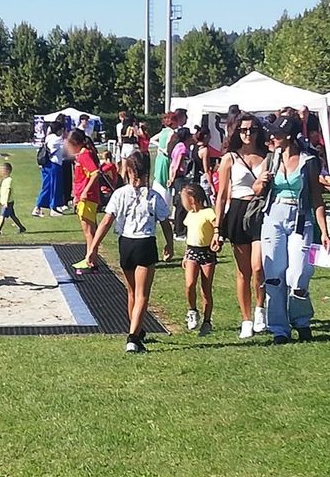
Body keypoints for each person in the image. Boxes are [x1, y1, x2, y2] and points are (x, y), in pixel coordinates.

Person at [84, 153, 173, 354]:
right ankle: (133, 338)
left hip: (126, 243)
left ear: (129, 171)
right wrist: (169, 244)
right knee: (142, 294)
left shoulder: (119, 194)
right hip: (145, 242)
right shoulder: (153, 196)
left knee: (132, 292)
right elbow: (165, 223)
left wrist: (93, 247)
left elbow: (106, 221)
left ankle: (136, 329)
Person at [254, 116, 330, 344]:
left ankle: (301, 321)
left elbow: (316, 197)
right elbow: (256, 190)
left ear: (288, 136)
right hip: (273, 216)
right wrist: (261, 181)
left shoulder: (309, 161)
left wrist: (324, 230)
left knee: (298, 274)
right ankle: (279, 329)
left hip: (300, 217)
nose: (272, 137)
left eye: (277, 133)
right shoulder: (271, 159)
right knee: (274, 276)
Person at [214, 113, 268, 338]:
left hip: (260, 210)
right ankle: (246, 319)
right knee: (243, 271)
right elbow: (221, 196)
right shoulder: (230, 158)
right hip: (238, 211)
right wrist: (217, 228)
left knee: (258, 267)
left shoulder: (267, 155)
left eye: (252, 129)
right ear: (237, 132)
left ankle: (260, 309)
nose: (248, 134)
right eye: (244, 130)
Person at [180, 184, 217, 336]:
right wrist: (186, 254)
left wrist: (216, 236)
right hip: (192, 252)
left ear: (192, 199)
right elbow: (190, 236)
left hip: (207, 253)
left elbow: (216, 225)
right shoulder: (190, 215)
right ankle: (192, 311)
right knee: (189, 284)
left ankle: (207, 321)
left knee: (206, 289)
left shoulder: (208, 212)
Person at [65, 129, 102, 274]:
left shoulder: (84, 155)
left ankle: (90, 261)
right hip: (84, 196)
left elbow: (95, 173)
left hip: (87, 198)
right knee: (90, 230)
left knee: (88, 231)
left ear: (75, 143)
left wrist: (85, 191)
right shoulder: (83, 154)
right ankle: (92, 260)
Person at [33, 120, 66, 217]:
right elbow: (65, 150)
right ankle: (53, 208)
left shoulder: (49, 137)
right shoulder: (58, 139)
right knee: (55, 187)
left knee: (46, 187)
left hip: (46, 164)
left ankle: (37, 207)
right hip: (54, 164)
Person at [167, 127, 194, 242]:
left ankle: (179, 230)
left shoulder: (177, 146)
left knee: (178, 203)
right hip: (179, 177)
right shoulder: (182, 148)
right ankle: (179, 231)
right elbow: (177, 164)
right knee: (181, 204)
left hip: (175, 177)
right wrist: (173, 178)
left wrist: (170, 177)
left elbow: (172, 164)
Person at [0, 162, 26, 237]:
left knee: (2, 216)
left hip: (8, 202)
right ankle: (22, 228)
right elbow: (3, 192)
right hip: (5, 201)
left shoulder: (9, 180)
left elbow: (8, 191)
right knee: (12, 216)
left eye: (2, 170)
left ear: (8, 171)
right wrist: (0, 200)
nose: (1, 172)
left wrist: (5, 202)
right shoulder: (4, 180)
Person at [152, 112, 180, 200]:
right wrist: (165, 149)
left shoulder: (163, 131)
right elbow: (168, 144)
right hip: (165, 158)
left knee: (158, 178)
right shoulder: (172, 133)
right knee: (165, 180)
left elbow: (152, 139)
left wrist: (160, 147)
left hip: (159, 157)